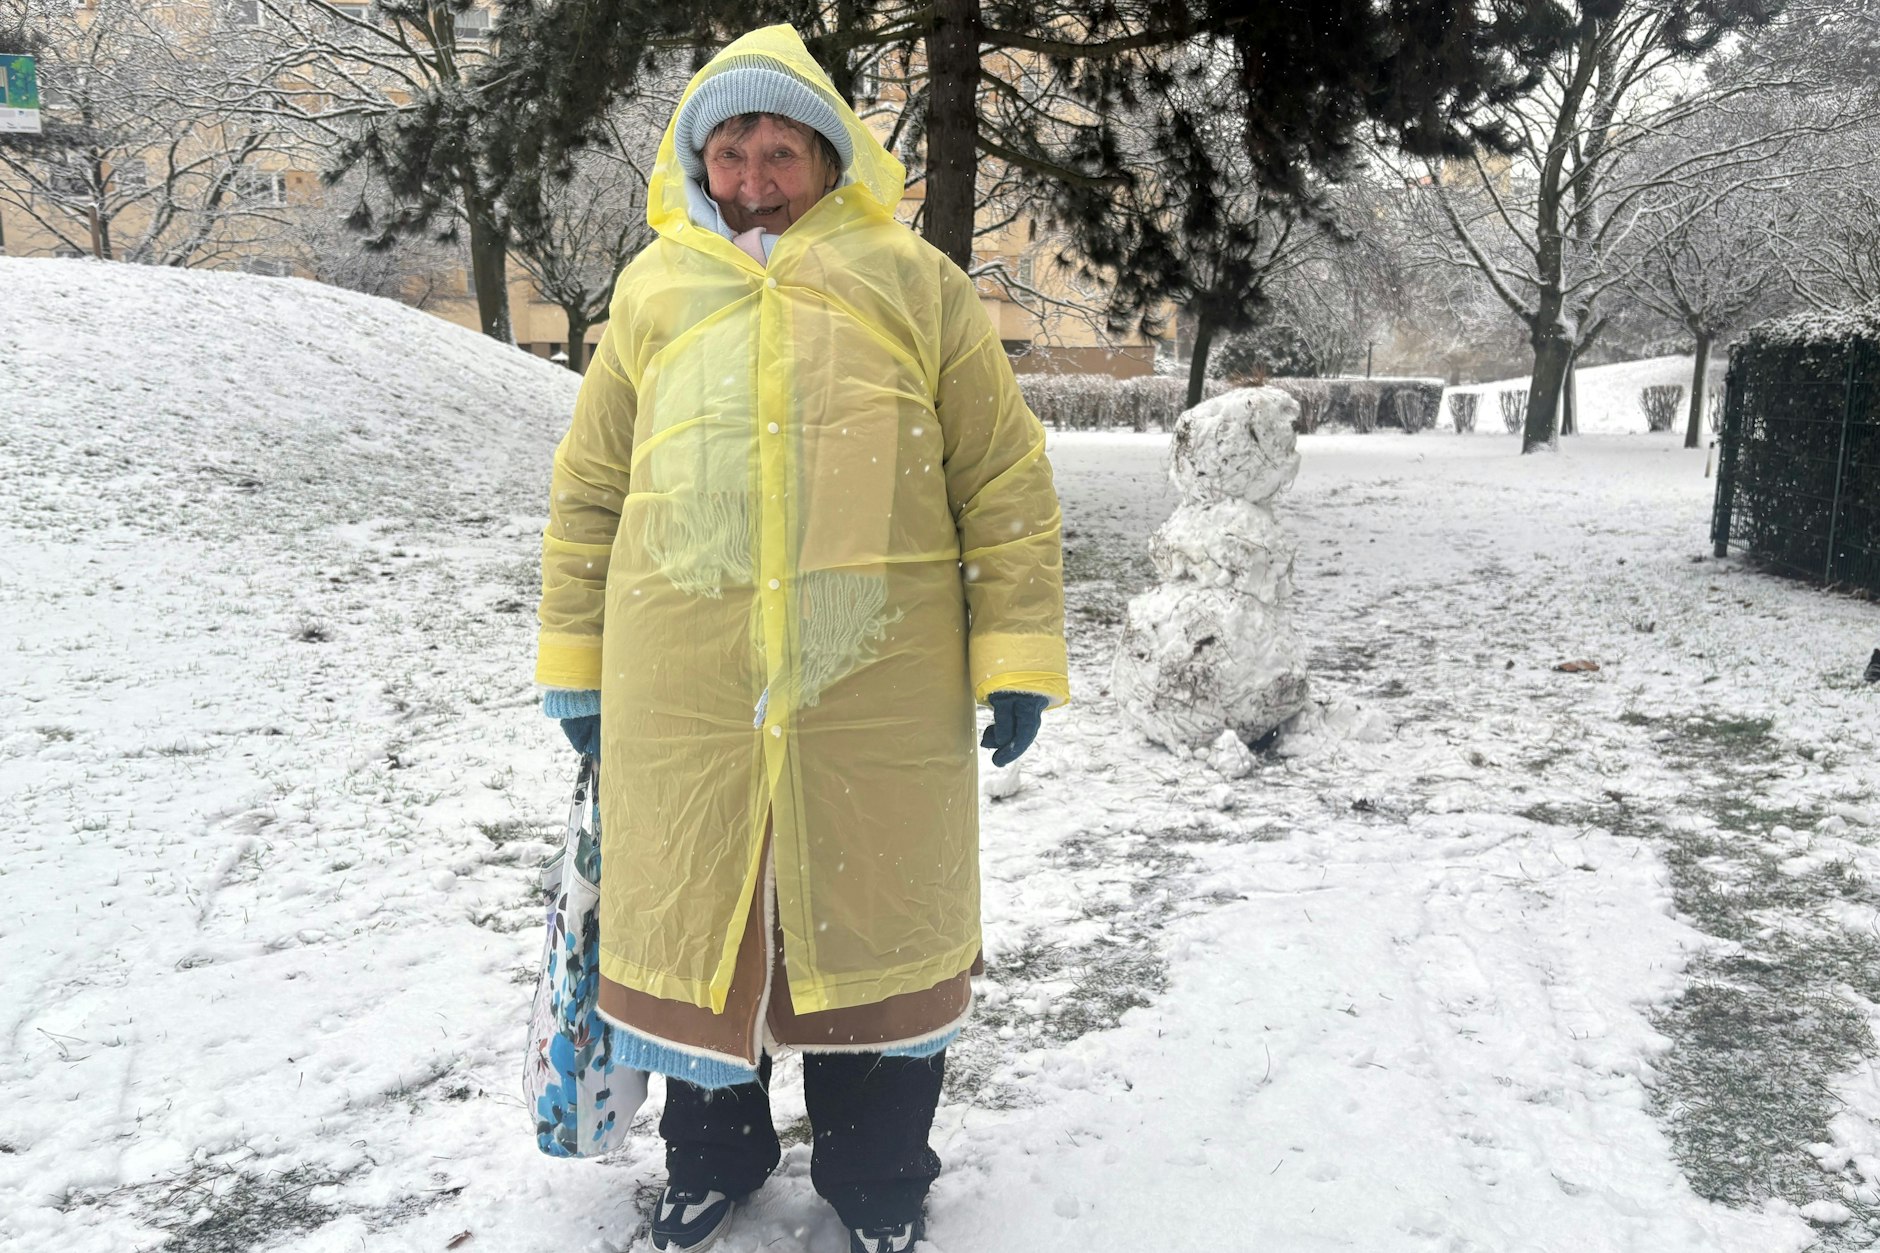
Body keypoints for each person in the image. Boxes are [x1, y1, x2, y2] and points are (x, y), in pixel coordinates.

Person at [532, 25, 1069, 1253]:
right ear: (697, 160)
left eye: (781, 150)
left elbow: (1000, 475)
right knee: (700, 922)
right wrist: (574, 659)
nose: (756, 179)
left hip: (875, 677)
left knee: (871, 926)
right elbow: (590, 489)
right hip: (686, 685)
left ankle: (878, 1173)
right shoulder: (655, 289)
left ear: (829, 156)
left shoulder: (910, 278)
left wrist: (1016, 651)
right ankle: (710, 1154)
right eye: (731, 151)